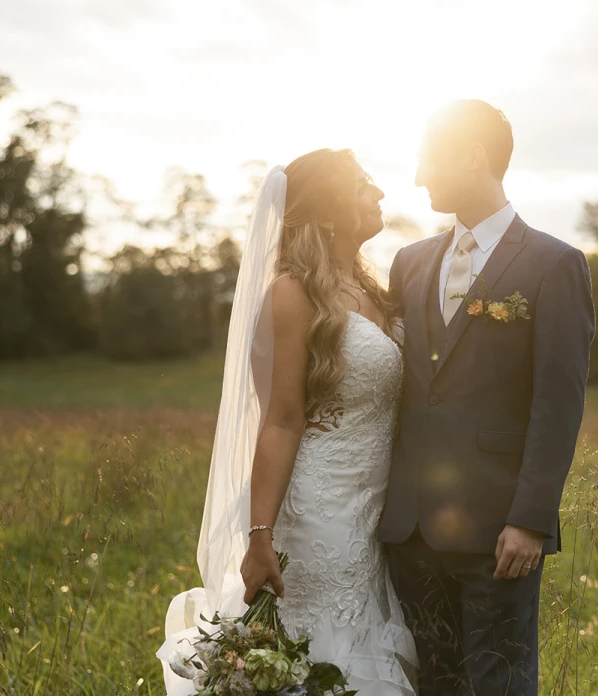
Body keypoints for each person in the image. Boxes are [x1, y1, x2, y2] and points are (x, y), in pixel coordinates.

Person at [159, 149, 417, 696]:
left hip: (370, 514)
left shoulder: (371, 289)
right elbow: (279, 419)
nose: (379, 194)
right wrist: (260, 536)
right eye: (363, 185)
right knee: (319, 653)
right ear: (327, 211)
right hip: (319, 515)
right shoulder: (292, 292)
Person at [380, 100, 596, 695]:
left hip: (501, 531)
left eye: (429, 160)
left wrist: (529, 520)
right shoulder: (410, 263)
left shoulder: (555, 265)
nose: (419, 176)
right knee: (432, 683)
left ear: (474, 156)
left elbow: (559, 404)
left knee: (500, 683)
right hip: (411, 530)